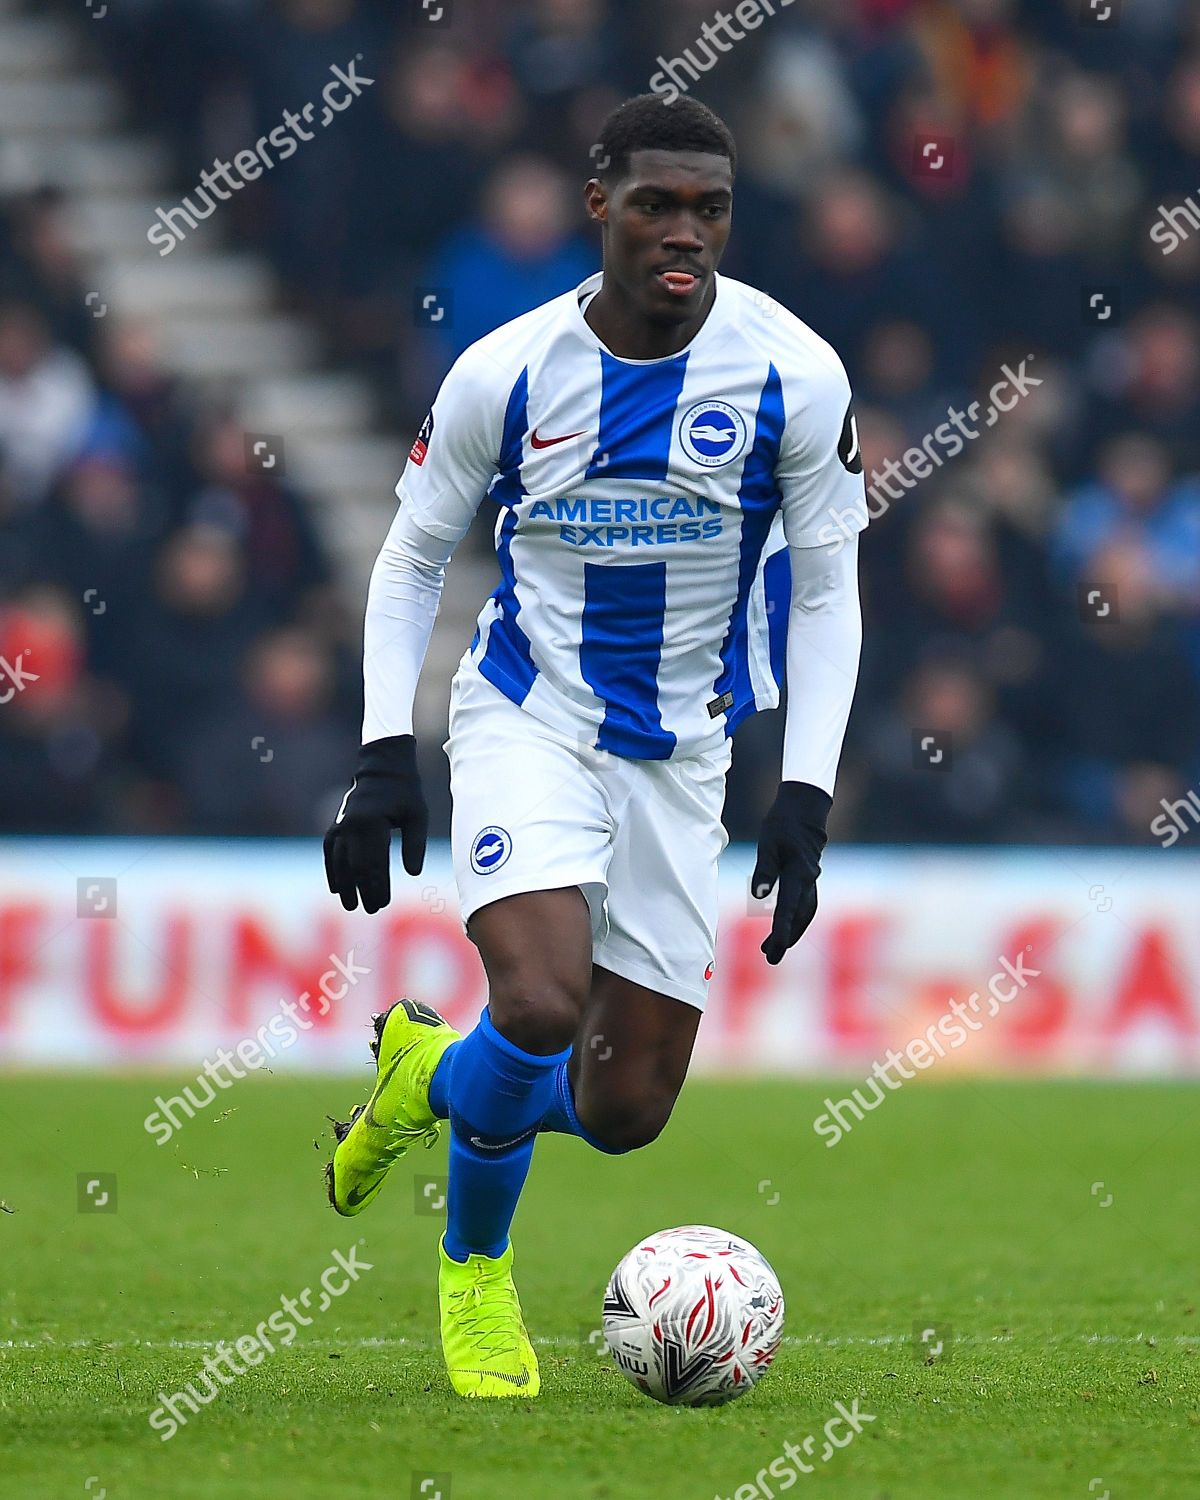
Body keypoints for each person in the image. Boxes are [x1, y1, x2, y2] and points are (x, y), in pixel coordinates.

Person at [321, 94, 866, 1399]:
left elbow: (832, 590)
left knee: (627, 1112)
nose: (686, 231)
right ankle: (473, 1281)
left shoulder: (796, 372)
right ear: (600, 206)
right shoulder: (505, 372)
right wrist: (382, 751)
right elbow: (409, 559)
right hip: (530, 720)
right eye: (659, 203)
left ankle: (425, 1079)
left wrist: (804, 791)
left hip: (685, 757)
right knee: (544, 998)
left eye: (711, 208)